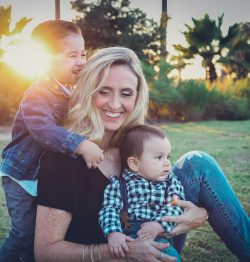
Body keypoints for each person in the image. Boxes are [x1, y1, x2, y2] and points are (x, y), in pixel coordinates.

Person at [34, 47, 250, 262]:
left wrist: (199, 215)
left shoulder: (136, 142)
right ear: (88, 91)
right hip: (111, 256)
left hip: (153, 235)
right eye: (104, 91)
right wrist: (122, 251)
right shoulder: (65, 157)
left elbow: (163, 193)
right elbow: (45, 252)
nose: (115, 104)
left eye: (126, 93)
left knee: (198, 163)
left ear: (137, 97)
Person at [0, 20, 104, 262]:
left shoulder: (69, 91)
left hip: (40, 174)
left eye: (82, 53)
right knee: (24, 233)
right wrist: (80, 144)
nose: (81, 61)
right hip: (22, 176)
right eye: (72, 55)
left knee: (41, 233)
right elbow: (43, 129)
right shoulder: (38, 93)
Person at [99, 124, 185, 261]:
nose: (167, 163)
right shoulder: (119, 184)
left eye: (168, 156)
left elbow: (176, 204)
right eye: (159, 157)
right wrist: (113, 232)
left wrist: (159, 225)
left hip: (159, 237)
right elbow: (110, 209)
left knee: (170, 258)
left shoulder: (170, 182)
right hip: (128, 239)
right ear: (134, 163)